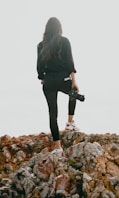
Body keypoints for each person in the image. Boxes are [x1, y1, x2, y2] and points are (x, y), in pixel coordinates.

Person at [37, 17, 80, 153]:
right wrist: (74, 81)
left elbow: (39, 66)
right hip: (63, 79)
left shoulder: (41, 45)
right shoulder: (64, 41)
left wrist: (42, 78)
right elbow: (70, 63)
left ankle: (58, 147)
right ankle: (70, 122)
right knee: (74, 93)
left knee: (52, 113)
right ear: (59, 28)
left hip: (48, 81)